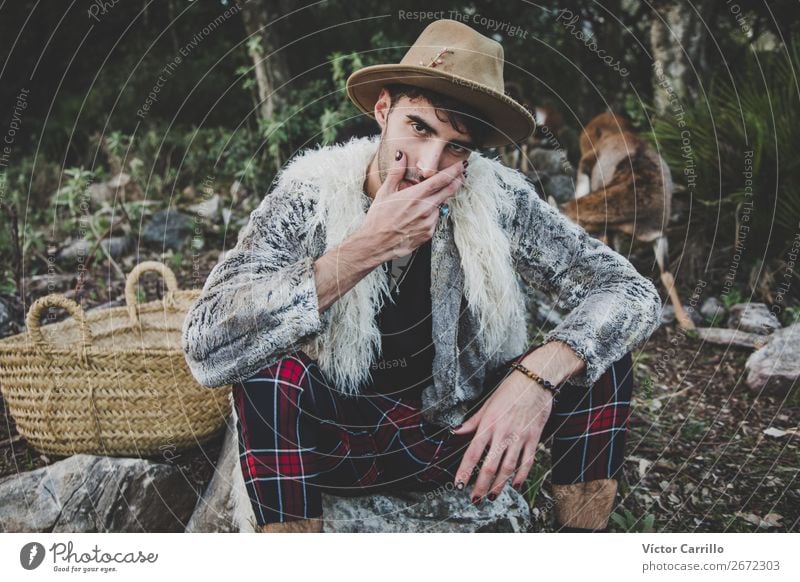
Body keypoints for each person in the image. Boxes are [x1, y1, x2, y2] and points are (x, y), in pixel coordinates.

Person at [181, 19, 662, 533]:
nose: (431, 165)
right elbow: (207, 345)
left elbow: (631, 291)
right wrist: (366, 248)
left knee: (600, 358)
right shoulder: (309, 196)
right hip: (338, 445)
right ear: (383, 110)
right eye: (420, 128)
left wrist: (535, 377)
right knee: (268, 372)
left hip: (455, 435)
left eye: (457, 146)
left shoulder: (497, 197)